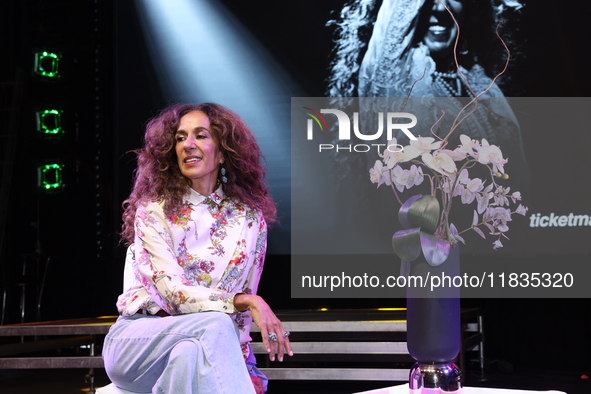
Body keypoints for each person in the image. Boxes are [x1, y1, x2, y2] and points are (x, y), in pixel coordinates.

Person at [102, 103, 291, 394]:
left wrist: (239, 361)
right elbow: (173, 294)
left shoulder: (249, 217)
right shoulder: (153, 212)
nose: (188, 145)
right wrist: (248, 301)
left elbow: (239, 309)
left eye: (201, 135)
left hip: (204, 343)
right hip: (139, 342)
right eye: (180, 138)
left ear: (224, 150)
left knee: (190, 354)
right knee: (213, 324)